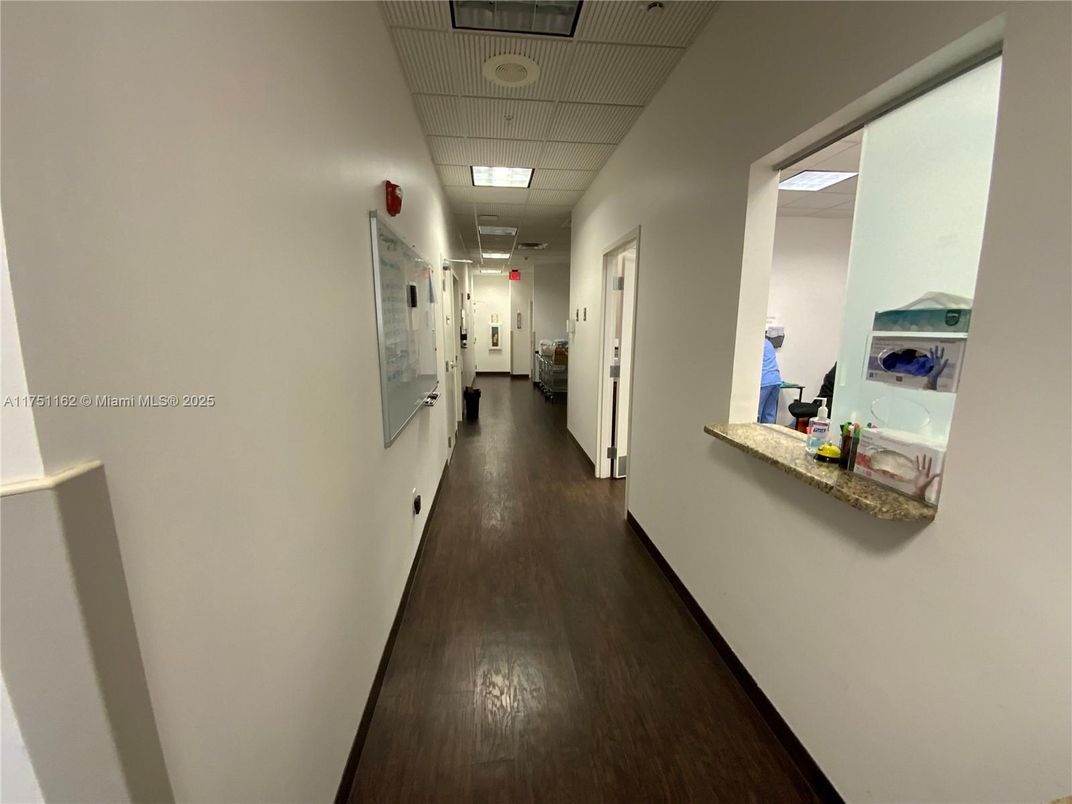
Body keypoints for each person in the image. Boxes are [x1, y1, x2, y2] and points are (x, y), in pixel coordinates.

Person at [758, 337, 782, 423]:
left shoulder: (756, 342)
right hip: (775, 380)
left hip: (763, 381)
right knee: (769, 414)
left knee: (756, 413)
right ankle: (768, 435)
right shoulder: (768, 342)